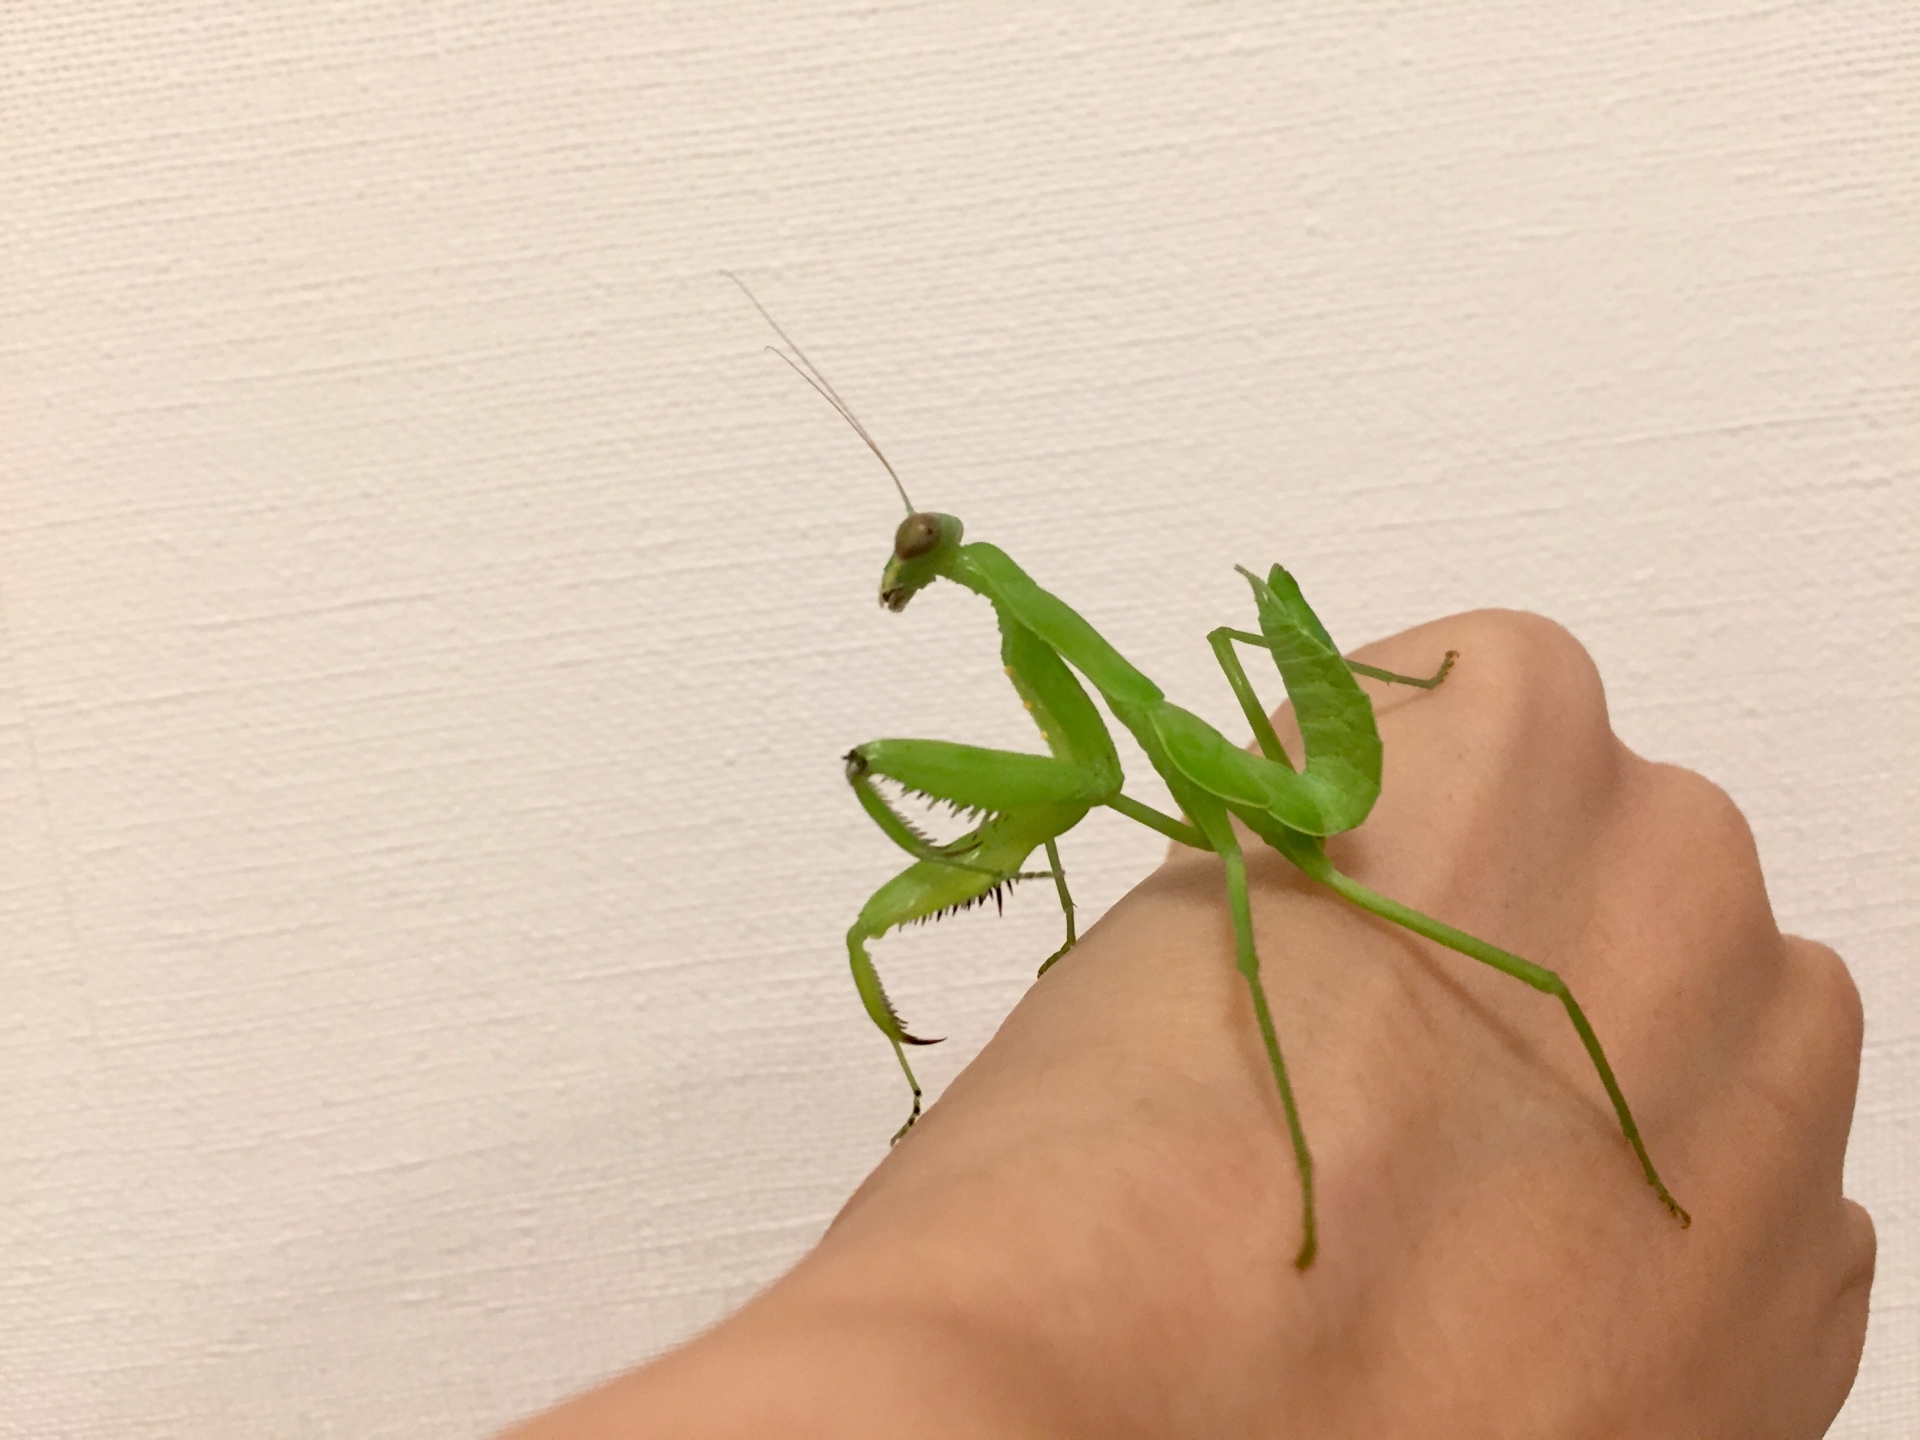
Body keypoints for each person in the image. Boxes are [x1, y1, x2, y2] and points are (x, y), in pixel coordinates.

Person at [503, 611, 1874, 1439]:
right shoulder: (1096, 706)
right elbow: (1083, 778)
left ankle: (1628, 1150)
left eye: (924, 558)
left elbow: (1094, 782)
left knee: (1522, 980)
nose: (907, 575)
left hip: (1323, 811)